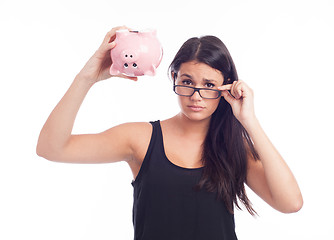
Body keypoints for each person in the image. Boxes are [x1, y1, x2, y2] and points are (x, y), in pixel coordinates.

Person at [36, 26, 303, 240]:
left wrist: (250, 121)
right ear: (173, 77)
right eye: (187, 82)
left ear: (227, 88)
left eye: (209, 85)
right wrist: (87, 77)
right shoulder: (140, 138)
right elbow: (51, 148)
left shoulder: (234, 148)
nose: (196, 96)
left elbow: (290, 203)